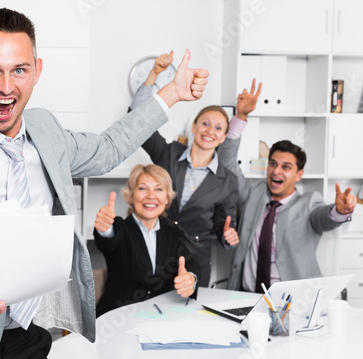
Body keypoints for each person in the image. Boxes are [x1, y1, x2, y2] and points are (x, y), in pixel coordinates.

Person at [0, 8, 209, 359]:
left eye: (19, 70)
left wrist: (170, 95)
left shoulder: (46, 130)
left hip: (33, 334)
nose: (6, 88)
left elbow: (109, 148)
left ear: (36, 71)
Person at [129, 52, 261, 287]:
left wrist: (228, 237)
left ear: (223, 138)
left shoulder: (227, 180)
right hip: (154, 253)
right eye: (206, 123)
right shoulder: (167, 153)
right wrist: (154, 74)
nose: (210, 130)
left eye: (218, 128)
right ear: (194, 126)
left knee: (187, 320)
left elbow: (223, 227)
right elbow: (138, 123)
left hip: (194, 264)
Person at [218, 84, 357, 292]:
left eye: (286, 167)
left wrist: (339, 211)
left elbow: (323, 217)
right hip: (245, 297)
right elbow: (227, 165)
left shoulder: (308, 203)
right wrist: (240, 116)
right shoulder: (253, 195)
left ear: (299, 174)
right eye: (273, 164)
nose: (276, 172)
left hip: (292, 302)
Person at [93, 164, 201, 317]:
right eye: (142, 188)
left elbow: (191, 262)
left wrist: (191, 278)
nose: (151, 195)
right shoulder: (119, 228)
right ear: (131, 195)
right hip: (117, 318)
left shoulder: (174, 232)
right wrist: (104, 228)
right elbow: (108, 239)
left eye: (158, 189)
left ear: (167, 198)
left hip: (160, 316)